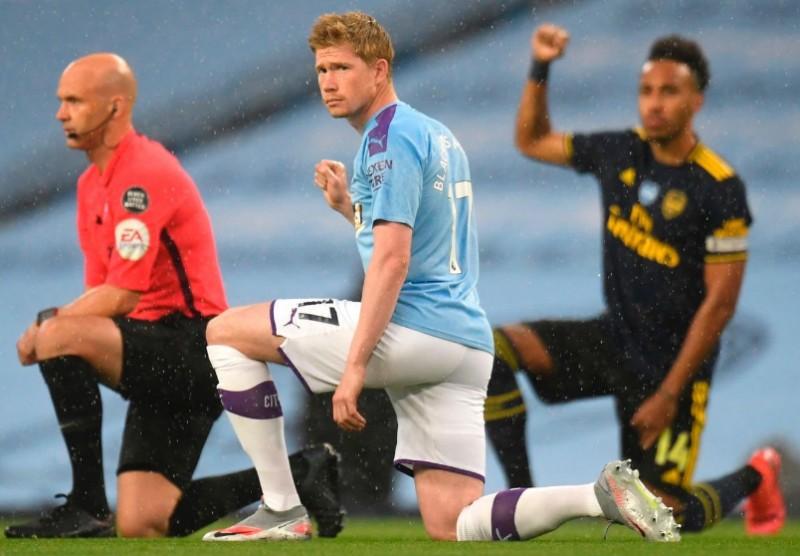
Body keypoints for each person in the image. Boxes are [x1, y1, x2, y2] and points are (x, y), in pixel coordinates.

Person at [200, 12, 680, 543]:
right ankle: (596, 496)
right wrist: (348, 210)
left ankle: (281, 507)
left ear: (379, 70)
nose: (328, 82)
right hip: (464, 345)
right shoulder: (436, 135)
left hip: (414, 330)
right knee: (453, 523)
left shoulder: (385, 139)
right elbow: (419, 239)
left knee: (225, 333)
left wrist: (354, 367)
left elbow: (393, 261)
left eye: (341, 67)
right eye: (320, 70)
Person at [6, 53, 343, 539]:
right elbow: (100, 293)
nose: (61, 113)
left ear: (115, 107)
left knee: (59, 336)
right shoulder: (89, 185)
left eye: (75, 101)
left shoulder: (141, 172)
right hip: (159, 359)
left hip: (191, 346)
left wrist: (47, 328)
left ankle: (85, 503)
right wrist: (57, 326)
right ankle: (301, 474)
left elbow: (122, 294)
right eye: (61, 101)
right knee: (144, 523)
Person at [484, 24, 786, 536]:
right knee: (493, 351)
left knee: (658, 518)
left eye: (670, 91)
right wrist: (541, 67)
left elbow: (719, 306)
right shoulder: (621, 152)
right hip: (614, 340)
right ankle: (523, 505)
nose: (655, 103)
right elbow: (531, 140)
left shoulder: (719, 188)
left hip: (673, 367)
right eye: (647, 91)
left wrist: (669, 393)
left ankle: (759, 474)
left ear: (697, 101)